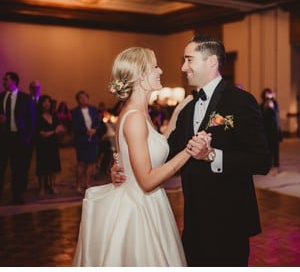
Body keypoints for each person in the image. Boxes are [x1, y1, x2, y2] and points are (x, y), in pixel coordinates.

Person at [112, 36, 270, 266]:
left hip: (230, 223)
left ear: (211, 62)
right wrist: (124, 167)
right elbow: (163, 154)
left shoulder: (241, 102)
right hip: (194, 225)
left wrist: (213, 155)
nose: (183, 67)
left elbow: (262, 160)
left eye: (189, 60)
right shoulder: (186, 108)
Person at [76, 46, 209, 266]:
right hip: (139, 210)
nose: (160, 70)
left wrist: (176, 114)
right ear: (140, 75)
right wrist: (189, 150)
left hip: (149, 202)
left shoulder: (136, 111)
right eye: (155, 66)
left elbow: (156, 147)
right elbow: (147, 181)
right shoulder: (135, 117)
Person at [0, 72, 34, 205]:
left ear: (14, 81)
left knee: (18, 169)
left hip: (18, 138)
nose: (3, 82)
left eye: (6, 80)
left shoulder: (25, 98)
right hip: (1, 138)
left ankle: (17, 196)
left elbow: (31, 119)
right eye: (3, 80)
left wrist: (27, 138)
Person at [69, 91, 107, 192]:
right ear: (77, 100)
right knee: (81, 163)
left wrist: (94, 130)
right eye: (81, 98)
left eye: (85, 97)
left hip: (93, 139)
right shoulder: (74, 112)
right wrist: (86, 130)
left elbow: (98, 123)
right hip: (81, 139)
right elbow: (74, 126)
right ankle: (78, 184)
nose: (83, 99)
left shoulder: (93, 109)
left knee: (91, 162)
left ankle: (88, 183)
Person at [34, 96, 64, 196]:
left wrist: (57, 131)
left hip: (53, 144)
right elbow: (42, 134)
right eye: (44, 102)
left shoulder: (54, 115)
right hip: (42, 145)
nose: (47, 104)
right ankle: (42, 188)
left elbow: (60, 127)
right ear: (41, 104)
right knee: (43, 167)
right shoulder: (38, 116)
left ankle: (53, 186)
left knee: (53, 167)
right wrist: (54, 131)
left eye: (48, 102)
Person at [261, 88, 281, 168]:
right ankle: (268, 163)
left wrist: (271, 107)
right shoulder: (262, 104)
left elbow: (276, 115)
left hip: (274, 128)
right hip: (266, 128)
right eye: (266, 93)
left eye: (269, 93)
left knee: (275, 147)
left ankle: (276, 162)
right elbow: (261, 116)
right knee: (267, 147)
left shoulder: (275, 103)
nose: (268, 95)